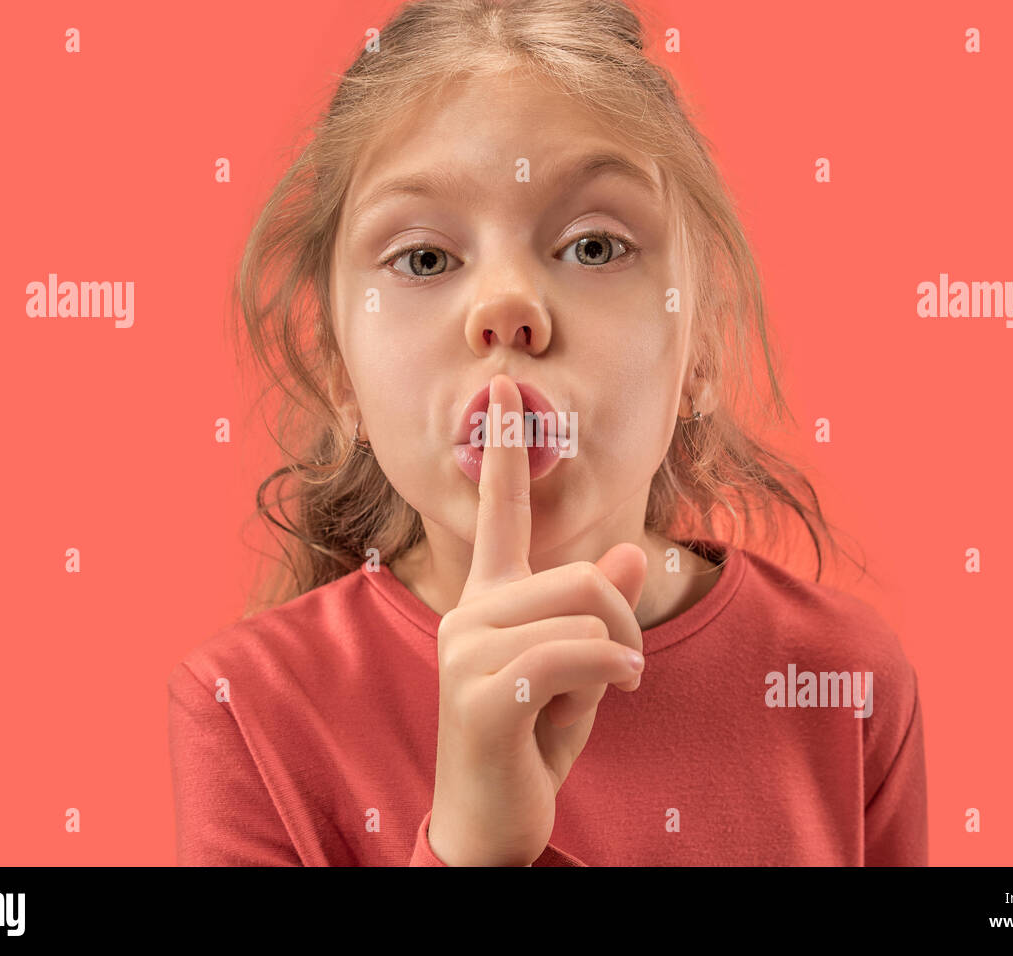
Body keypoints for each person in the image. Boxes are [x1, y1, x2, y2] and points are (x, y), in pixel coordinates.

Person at [167, 0, 927, 866]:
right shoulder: (247, 709)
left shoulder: (842, 679)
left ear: (702, 346)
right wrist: (472, 847)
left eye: (595, 247)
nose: (507, 311)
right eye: (423, 259)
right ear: (341, 372)